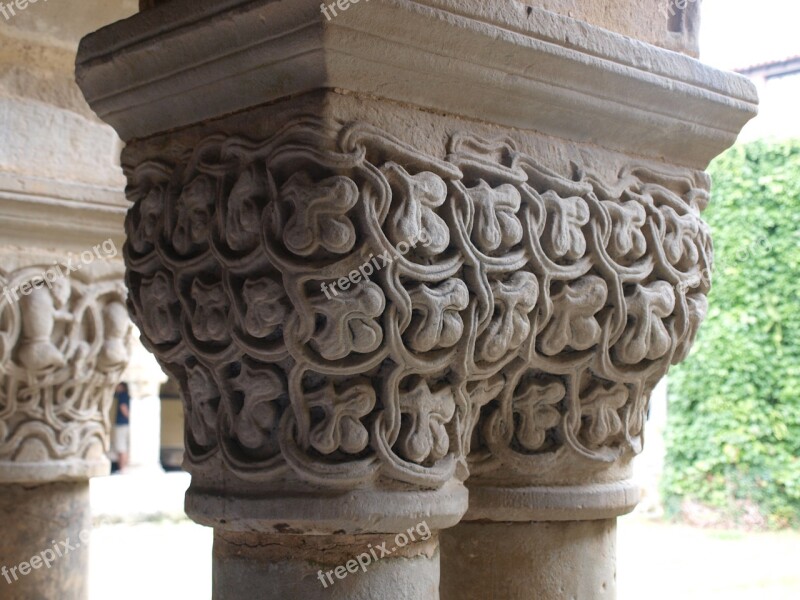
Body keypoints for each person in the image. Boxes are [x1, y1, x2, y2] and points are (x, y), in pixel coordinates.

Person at [113, 382, 131, 473]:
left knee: (121, 447)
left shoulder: (122, 395)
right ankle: (124, 468)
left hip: (121, 424)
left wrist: (129, 418)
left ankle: (122, 468)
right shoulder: (128, 395)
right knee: (125, 447)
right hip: (126, 425)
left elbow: (123, 407)